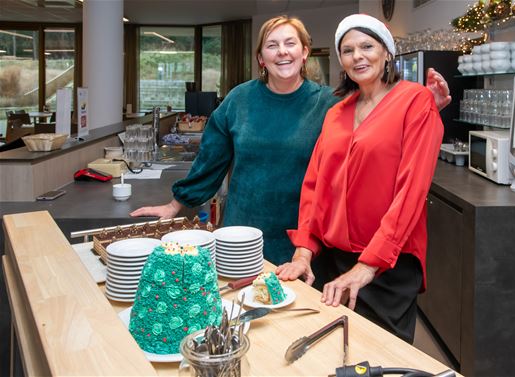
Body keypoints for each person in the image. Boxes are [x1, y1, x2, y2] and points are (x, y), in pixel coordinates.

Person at [131, 15, 450, 267]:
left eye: (290, 43)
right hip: (244, 228)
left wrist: (424, 108)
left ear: (304, 52)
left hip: (308, 239)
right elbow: (211, 159)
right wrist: (176, 204)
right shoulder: (239, 100)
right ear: (260, 58)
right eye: (272, 45)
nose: (282, 51)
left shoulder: (331, 103)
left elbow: (377, 125)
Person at [276, 14, 444, 344]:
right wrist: (303, 252)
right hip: (332, 260)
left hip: (387, 266)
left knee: (379, 356)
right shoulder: (337, 112)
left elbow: (411, 191)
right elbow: (315, 186)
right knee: (328, 352)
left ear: (387, 53)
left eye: (367, 46)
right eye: (348, 50)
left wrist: (367, 266)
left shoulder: (416, 101)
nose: (358, 56)